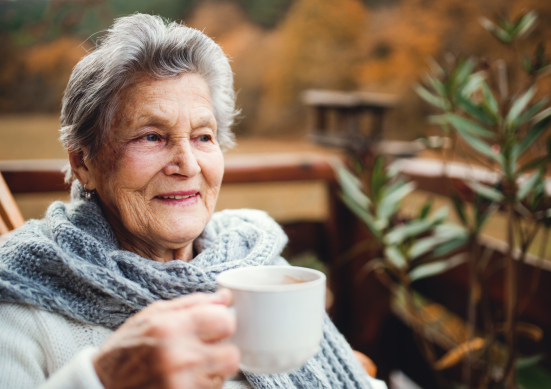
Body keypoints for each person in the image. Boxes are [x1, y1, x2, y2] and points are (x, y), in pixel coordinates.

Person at [0, 13, 380, 389]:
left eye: (202, 137)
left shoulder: (253, 263)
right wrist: (101, 380)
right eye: (151, 136)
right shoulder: (22, 295)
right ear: (83, 162)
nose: (188, 164)